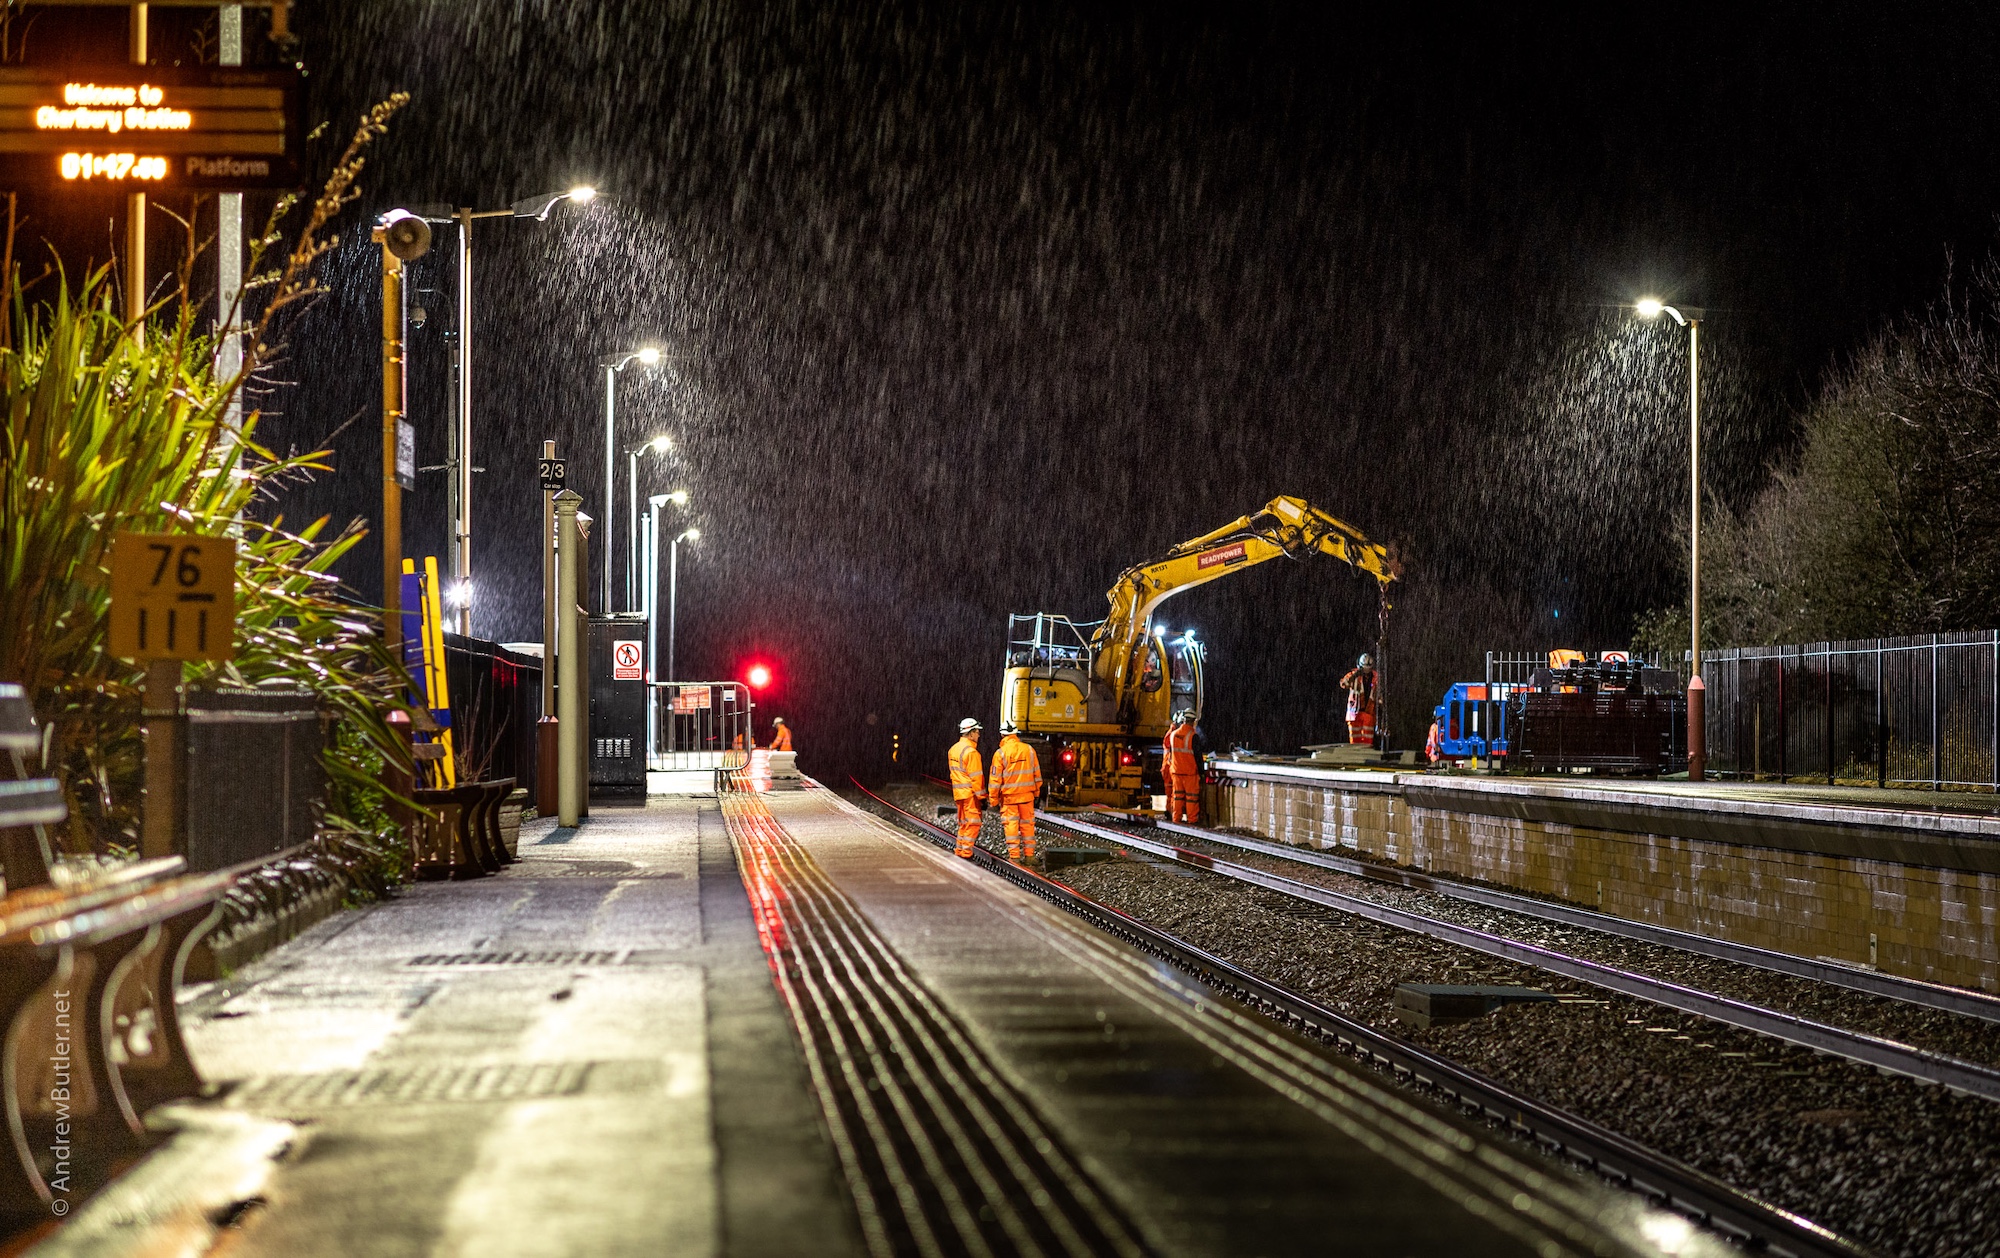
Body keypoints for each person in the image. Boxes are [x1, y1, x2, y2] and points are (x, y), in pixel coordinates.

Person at [987, 723, 1043, 864]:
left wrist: (993, 799)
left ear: (1002, 735)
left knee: (1011, 826)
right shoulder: (1029, 750)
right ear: (1016, 734)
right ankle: (1030, 856)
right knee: (1028, 825)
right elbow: (1037, 774)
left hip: (1009, 798)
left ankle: (1015, 857)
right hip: (1027, 797)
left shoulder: (1000, 753)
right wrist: (1036, 792)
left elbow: (995, 780)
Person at [947, 718, 986, 859]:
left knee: (963, 823)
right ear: (970, 734)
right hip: (970, 794)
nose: (979, 735)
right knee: (973, 823)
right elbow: (976, 778)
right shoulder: (972, 753)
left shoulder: (953, 749)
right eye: (977, 732)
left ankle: (959, 850)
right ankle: (966, 853)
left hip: (958, 793)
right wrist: (982, 797)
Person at [1163, 709, 1200, 824]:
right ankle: (1192, 820)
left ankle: (1176, 819)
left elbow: (1170, 751)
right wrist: (1202, 772)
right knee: (1191, 798)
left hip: (1176, 771)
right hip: (1189, 772)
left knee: (1177, 797)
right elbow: (1197, 756)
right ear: (1193, 721)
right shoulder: (1193, 736)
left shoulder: (1173, 735)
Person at [1339, 653, 1378, 745]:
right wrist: (1354, 676)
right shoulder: (1354, 675)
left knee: (1368, 741)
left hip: (1368, 712)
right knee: (1355, 741)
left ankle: (1367, 757)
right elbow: (1344, 684)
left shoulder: (1376, 677)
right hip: (1354, 713)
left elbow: (1379, 692)